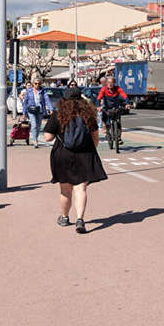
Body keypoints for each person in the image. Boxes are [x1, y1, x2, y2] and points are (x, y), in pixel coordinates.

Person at [44, 92, 107, 234]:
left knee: (65, 190)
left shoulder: (58, 115)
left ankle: (65, 217)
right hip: (84, 154)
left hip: (62, 155)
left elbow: (47, 137)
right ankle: (80, 219)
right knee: (81, 189)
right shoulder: (88, 115)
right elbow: (95, 138)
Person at [21, 77, 53, 148]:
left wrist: (51, 109)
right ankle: (35, 140)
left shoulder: (42, 91)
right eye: (35, 83)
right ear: (33, 84)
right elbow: (25, 103)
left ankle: (36, 137)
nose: (37, 85)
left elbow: (47, 99)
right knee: (34, 125)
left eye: (38, 84)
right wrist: (24, 113)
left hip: (40, 110)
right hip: (31, 110)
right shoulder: (29, 91)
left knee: (38, 126)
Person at [97, 76, 128, 145]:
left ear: (114, 83)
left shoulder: (118, 88)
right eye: (108, 82)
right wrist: (98, 106)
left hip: (116, 107)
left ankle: (119, 138)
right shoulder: (104, 89)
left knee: (118, 122)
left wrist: (127, 103)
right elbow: (99, 98)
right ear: (106, 83)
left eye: (112, 82)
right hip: (107, 107)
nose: (110, 84)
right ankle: (107, 132)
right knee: (106, 120)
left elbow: (124, 95)